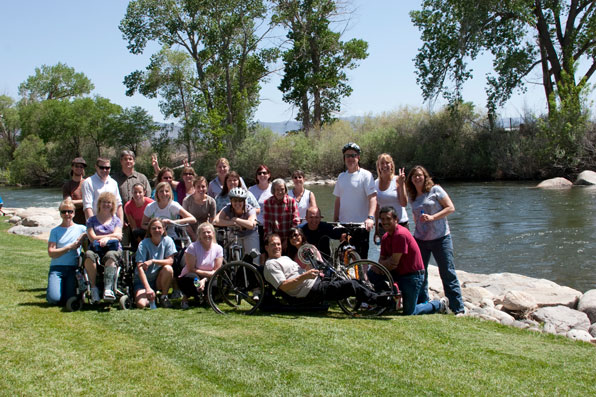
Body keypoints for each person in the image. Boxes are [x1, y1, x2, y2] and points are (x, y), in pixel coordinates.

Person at [263, 234, 393, 308]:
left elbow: (301, 273)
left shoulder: (284, 257)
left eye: (279, 244)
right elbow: (284, 286)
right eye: (273, 244)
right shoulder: (270, 265)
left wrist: (309, 270)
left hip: (315, 282)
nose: (277, 247)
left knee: (352, 280)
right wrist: (305, 276)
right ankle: (382, 301)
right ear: (266, 247)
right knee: (350, 285)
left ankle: (380, 295)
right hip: (309, 291)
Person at [406, 165, 465, 315]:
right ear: (411, 180)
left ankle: (458, 308)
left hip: (441, 238)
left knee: (447, 272)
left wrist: (433, 217)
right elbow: (414, 215)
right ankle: (422, 303)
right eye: (414, 176)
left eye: (420, 175)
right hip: (420, 239)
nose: (417, 178)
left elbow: (450, 208)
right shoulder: (412, 197)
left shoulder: (435, 190)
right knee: (420, 272)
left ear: (425, 176)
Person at [375, 206, 448, 315]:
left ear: (396, 220)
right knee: (373, 274)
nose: (385, 222)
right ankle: (391, 300)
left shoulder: (400, 235)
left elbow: (393, 263)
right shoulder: (385, 237)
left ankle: (439, 304)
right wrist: (382, 265)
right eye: (382, 219)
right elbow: (382, 261)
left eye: (388, 219)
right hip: (398, 273)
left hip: (412, 276)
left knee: (410, 312)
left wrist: (383, 265)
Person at [333, 142, 377, 259]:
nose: (350, 158)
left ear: (358, 157)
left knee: (362, 260)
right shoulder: (341, 177)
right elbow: (338, 199)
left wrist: (371, 217)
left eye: (353, 155)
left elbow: (372, 197)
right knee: (344, 260)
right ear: (344, 158)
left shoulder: (366, 175)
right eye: (347, 156)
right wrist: (335, 219)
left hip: (361, 225)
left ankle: (363, 277)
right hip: (343, 225)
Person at [83, 192, 123, 303]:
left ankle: (108, 289)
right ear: (99, 204)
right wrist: (109, 237)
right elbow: (92, 238)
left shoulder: (116, 220)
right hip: (96, 249)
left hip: (113, 249)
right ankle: (94, 288)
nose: (106, 204)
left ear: (113, 205)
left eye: (109, 202)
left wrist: (106, 239)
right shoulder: (91, 220)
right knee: (88, 255)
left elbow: (119, 236)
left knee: (111, 255)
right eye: (104, 202)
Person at [46, 198, 87, 305]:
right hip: (57, 269)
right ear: (60, 214)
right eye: (64, 211)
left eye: (70, 211)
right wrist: (69, 247)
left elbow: (89, 241)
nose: (67, 214)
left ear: (74, 213)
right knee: (54, 300)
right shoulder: (55, 231)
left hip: (73, 269)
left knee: (69, 299)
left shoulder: (81, 229)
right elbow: (51, 253)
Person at [133, 218, 177, 309]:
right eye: (153, 228)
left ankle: (164, 297)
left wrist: (153, 261)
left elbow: (170, 261)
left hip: (158, 279)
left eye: (159, 228)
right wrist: (147, 288)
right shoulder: (143, 244)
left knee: (168, 269)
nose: (157, 230)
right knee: (141, 304)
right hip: (143, 281)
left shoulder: (168, 241)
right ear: (149, 230)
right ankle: (151, 296)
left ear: (164, 229)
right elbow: (140, 267)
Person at [178, 222, 223, 309]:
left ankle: (206, 297)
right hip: (192, 275)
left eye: (209, 232)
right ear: (199, 235)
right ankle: (186, 297)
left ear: (213, 234)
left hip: (208, 277)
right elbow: (191, 269)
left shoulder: (218, 249)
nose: (207, 235)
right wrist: (200, 280)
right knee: (194, 280)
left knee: (217, 283)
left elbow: (217, 271)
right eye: (204, 232)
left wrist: (204, 280)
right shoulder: (192, 247)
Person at [142, 182, 197, 246]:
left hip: (171, 237)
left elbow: (193, 219)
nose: (164, 194)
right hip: (154, 237)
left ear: (170, 193)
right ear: (157, 193)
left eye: (166, 191)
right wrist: (155, 228)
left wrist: (172, 222)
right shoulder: (150, 207)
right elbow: (143, 224)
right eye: (161, 191)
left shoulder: (173, 205)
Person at [213, 187, 260, 260]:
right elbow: (215, 221)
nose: (237, 203)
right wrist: (233, 223)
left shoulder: (250, 209)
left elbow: (251, 225)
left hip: (250, 234)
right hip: (235, 234)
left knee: (254, 258)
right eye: (235, 200)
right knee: (232, 257)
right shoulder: (228, 208)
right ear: (231, 201)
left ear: (244, 201)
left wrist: (236, 219)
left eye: (240, 200)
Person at [374, 153, 409, 244]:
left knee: (402, 257)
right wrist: (376, 229)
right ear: (378, 166)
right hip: (383, 226)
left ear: (392, 165)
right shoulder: (375, 184)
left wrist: (401, 184)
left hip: (400, 224)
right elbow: (376, 208)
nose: (384, 165)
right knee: (386, 256)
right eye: (382, 163)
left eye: (387, 163)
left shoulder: (398, 180)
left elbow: (404, 203)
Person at [82, 157, 123, 222]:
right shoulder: (88, 182)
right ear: (96, 167)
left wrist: (120, 225)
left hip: (113, 224)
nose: (104, 170)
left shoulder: (114, 183)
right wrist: (92, 226)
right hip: (97, 224)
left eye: (107, 168)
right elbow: (87, 207)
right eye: (101, 167)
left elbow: (118, 204)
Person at [263, 178, 300, 249]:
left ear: (285, 190)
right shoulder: (267, 203)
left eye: (282, 189)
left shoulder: (291, 201)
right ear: (273, 191)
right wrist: (275, 242)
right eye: (277, 190)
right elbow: (267, 225)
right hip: (273, 238)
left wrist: (288, 239)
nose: (280, 192)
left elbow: (296, 222)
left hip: (289, 237)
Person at [182, 176, 217, 241]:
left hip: (205, 232)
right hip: (190, 232)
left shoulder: (211, 201)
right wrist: (193, 236)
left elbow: (212, 221)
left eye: (203, 187)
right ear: (194, 187)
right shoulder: (187, 201)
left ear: (206, 187)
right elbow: (185, 222)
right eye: (198, 187)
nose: (201, 189)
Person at [124, 183, 154, 249]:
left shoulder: (151, 203)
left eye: (140, 192)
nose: (137, 195)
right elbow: (133, 227)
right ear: (132, 193)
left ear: (144, 192)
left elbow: (154, 220)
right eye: (135, 192)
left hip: (149, 229)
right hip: (137, 231)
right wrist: (141, 243)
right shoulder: (128, 206)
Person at [248, 165, 273, 241]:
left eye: (264, 173)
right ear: (257, 176)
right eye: (259, 173)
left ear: (269, 175)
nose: (262, 175)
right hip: (255, 226)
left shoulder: (274, 189)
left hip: (270, 226)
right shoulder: (251, 190)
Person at [62, 157, 87, 225]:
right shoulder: (67, 186)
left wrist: (75, 202)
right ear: (72, 167)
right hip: (74, 221)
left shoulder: (88, 183)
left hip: (88, 219)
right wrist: (85, 201)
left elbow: (93, 201)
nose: (79, 168)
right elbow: (68, 203)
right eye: (76, 166)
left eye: (81, 167)